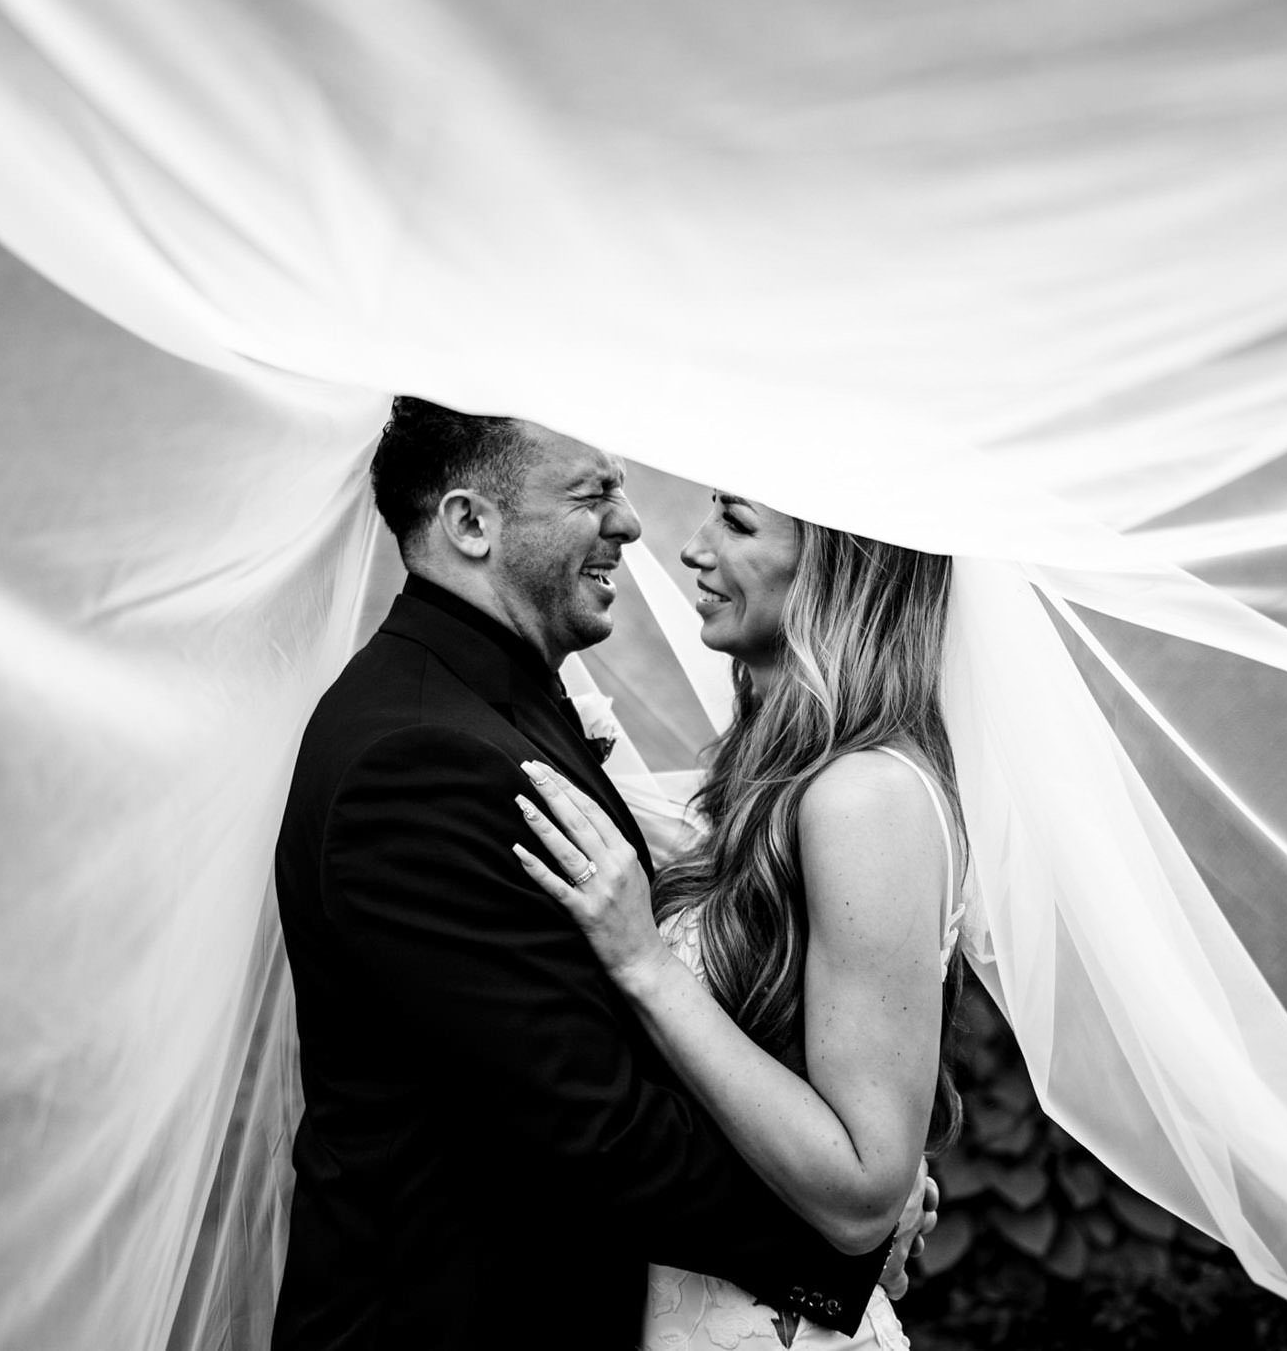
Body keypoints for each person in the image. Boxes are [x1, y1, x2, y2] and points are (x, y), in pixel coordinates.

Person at [271, 399, 927, 1351]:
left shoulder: (497, 706)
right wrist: (851, 1226)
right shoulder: (417, 760)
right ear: (469, 524)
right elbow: (587, 1122)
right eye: (594, 494)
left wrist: (847, 1169)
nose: (631, 525)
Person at [513, 491, 967, 1350]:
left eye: (737, 523)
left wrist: (646, 965)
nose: (692, 549)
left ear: (836, 567)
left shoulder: (864, 798)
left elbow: (865, 1190)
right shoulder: (783, 782)